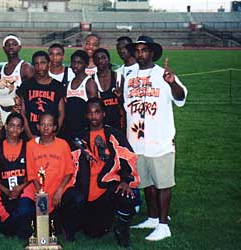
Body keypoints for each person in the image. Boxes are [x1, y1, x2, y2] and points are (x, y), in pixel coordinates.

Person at [124, 36, 187, 241]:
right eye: (138, 50)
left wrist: (172, 83)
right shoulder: (130, 76)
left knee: (163, 184)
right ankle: (152, 217)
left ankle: (163, 225)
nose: (141, 54)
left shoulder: (163, 74)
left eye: (144, 50)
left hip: (160, 140)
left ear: (152, 53)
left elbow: (180, 98)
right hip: (136, 141)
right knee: (146, 183)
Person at [74, 98, 139, 247]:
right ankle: (105, 219)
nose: (93, 116)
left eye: (97, 112)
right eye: (90, 113)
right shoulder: (79, 139)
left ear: (103, 114)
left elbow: (128, 159)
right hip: (89, 193)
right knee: (94, 232)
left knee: (126, 195)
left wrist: (125, 180)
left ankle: (123, 228)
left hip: (109, 187)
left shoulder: (114, 134)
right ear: (85, 115)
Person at [26, 113, 84, 241]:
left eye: (49, 125)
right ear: (38, 127)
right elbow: (31, 174)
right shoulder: (30, 146)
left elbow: (69, 171)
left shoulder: (63, 144)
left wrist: (60, 190)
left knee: (77, 198)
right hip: (43, 191)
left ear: (54, 127)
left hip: (61, 189)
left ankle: (69, 230)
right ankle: (55, 222)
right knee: (40, 231)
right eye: (43, 125)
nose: (46, 128)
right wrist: (40, 193)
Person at [0, 112, 34, 240]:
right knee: (8, 228)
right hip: (5, 194)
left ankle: (26, 226)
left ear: (22, 129)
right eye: (11, 125)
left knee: (24, 212)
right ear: (5, 126)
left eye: (18, 126)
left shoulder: (28, 148)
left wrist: (21, 187)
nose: (14, 129)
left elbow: (33, 173)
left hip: (24, 193)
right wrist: (6, 190)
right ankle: (13, 223)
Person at [18, 51, 66, 139]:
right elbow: (22, 111)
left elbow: (61, 113)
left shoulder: (57, 86)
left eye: (43, 63)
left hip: (51, 135)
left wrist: (54, 133)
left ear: (49, 64)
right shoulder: (26, 85)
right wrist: (29, 134)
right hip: (30, 133)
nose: (40, 67)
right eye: (36, 64)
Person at [61, 50, 98, 144]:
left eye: (79, 63)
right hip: (70, 129)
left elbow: (94, 108)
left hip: (83, 130)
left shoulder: (89, 83)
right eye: (73, 62)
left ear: (86, 65)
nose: (75, 65)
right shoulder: (68, 84)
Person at [0, 34, 34, 123]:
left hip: (20, 116)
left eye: (14, 44)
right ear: (3, 48)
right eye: (8, 45)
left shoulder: (26, 67)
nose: (11, 47)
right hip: (4, 114)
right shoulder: (2, 69)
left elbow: (33, 92)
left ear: (19, 47)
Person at [92, 48, 126, 134]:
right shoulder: (91, 80)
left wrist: (120, 96)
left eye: (103, 57)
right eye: (97, 58)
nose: (100, 60)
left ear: (109, 59)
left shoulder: (118, 77)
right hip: (101, 124)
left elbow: (125, 101)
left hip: (118, 123)